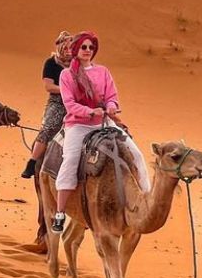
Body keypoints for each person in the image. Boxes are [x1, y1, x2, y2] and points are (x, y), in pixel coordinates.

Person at [51, 31, 150, 233]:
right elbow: (69, 104)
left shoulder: (103, 71)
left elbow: (112, 95)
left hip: (103, 123)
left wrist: (112, 106)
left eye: (91, 47)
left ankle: (146, 201)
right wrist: (89, 111)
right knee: (70, 160)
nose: (88, 51)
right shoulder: (66, 75)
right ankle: (60, 212)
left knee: (137, 154)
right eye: (84, 47)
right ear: (76, 49)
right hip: (78, 125)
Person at [21, 31, 72, 178]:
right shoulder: (51, 63)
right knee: (48, 128)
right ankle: (32, 162)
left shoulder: (77, 64)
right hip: (58, 102)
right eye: (66, 47)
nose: (69, 51)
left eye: (71, 48)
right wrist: (68, 90)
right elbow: (49, 87)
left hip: (76, 102)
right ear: (60, 47)